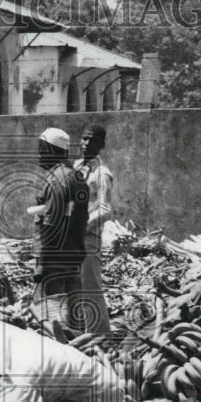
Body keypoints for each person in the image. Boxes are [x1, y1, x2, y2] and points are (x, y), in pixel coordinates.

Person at [33, 127, 88, 335]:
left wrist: (41, 264)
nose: (38, 154)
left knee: (54, 322)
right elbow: (80, 220)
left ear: (51, 149)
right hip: (72, 261)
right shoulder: (77, 178)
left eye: (41, 149)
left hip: (54, 265)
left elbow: (51, 226)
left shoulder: (56, 180)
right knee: (74, 318)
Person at [74, 124, 114, 333]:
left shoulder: (102, 173)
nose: (87, 143)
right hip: (71, 239)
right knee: (74, 289)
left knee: (91, 289)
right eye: (85, 138)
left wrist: (82, 227)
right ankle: (80, 336)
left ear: (101, 145)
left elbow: (105, 210)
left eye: (93, 140)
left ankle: (102, 338)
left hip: (88, 238)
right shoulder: (77, 167)